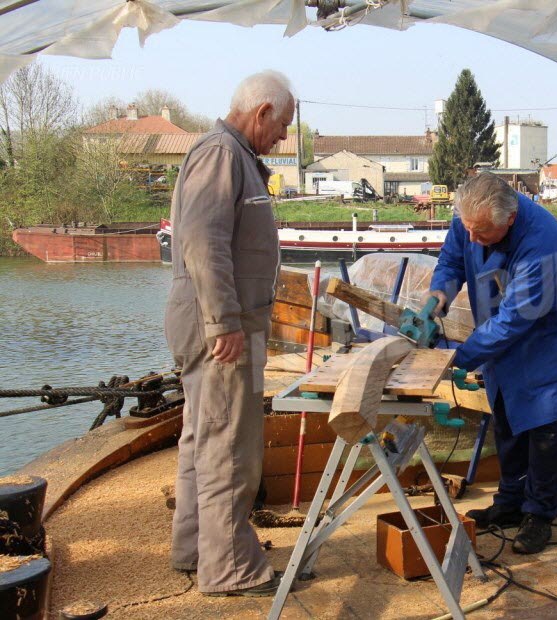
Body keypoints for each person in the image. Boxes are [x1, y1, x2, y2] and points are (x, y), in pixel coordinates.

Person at [164, 70, 294, 596]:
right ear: (261, 112)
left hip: (223, 324)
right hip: (223, 330)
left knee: (204, 439)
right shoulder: (222, 154)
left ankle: (196, 549)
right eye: (282, 125)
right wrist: (224, 323)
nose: (284, 137)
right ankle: (231, 570)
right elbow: (201, 242)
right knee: (229, 449)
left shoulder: (231, 155)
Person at [428, 172, 557, 554]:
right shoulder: (471, 216)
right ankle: (510, 503)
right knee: (506, 416)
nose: (472, 239)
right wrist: (437, 300)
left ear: (509, 219)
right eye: (467, 228)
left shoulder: (543, 244)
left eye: (481, 233)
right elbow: (452, 261)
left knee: (543, 425)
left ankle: (540, 514)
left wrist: (455, 358)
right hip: (500, 324)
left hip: (548, 334)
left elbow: (515, 320)